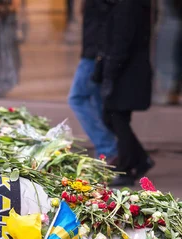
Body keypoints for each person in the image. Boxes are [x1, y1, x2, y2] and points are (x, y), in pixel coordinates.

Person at [100, 0, 154, 187]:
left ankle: (128, 167)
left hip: (126, 74)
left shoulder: (128, 6)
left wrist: (109, 74)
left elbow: (121, 44)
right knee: (113, 117)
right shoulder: (127, 5)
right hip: (127, 72)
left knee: (116, 117)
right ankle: (139, 160)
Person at [68, 0, 117, 161]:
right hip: (95, 53)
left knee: (77, 98)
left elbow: (105, 21)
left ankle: (108, 148)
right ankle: (109, 151)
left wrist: (97, 53)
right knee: (98, 102)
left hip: (94, 55)